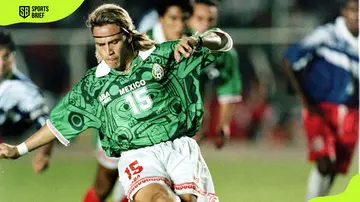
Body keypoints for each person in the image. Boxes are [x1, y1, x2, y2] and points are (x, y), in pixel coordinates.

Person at [0, 3, 233, 202]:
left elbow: (224, 42)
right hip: (137, 155)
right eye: (101, 44)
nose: (108, 51)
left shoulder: (164, 55)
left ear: (128, 36)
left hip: (180, 149)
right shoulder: (92, 85)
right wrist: (18, 149)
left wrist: (199, 40)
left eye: (114, 42)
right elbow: (57, 124)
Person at [282, 0, 358, 200]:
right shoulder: (327, 35)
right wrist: (305, 100)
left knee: (334, 167)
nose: (358, 15)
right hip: (320, 108)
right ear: (344, 11)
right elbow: (289, 58)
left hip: (351, 111)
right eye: (354, 9)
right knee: (324, 161)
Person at [186, 0, 242, 148]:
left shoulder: (224, 51)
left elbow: (228, 87)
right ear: (188, 18)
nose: (205, 25)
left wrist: (223, 124)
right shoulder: (173, 42)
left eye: (210, 19)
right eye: (200, 18)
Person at [0, 28, 52, 172]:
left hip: (11, 140)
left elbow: (47, 125)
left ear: (13, 55)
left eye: (5, 57)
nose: (1, 64)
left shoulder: (23, 89)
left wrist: (44, 154)